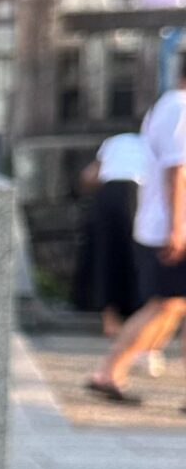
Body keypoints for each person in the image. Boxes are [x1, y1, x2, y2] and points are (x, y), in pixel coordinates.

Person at [88, 52, 186, 404]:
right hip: (171, 227)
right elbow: (178, 170)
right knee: (163, 305)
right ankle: (110, 370)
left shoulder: (167, 106)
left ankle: (111, 370)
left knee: (170, 305)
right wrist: (177, 228)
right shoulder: (179, 108)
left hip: (165, 223)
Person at [72, 129, 151, 334]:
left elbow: (88, 176)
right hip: (139, 193)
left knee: (105, 254)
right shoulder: (157, 140)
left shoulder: (113, 142)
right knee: (138, 256)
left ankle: (109, 317)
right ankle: (138, 315)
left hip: (108, 194)